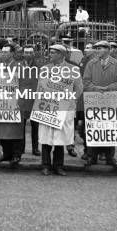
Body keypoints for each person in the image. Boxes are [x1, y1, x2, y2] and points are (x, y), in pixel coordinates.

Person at [38, 45, 83, 176]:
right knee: (46, 138)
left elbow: (79, 88)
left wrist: (71, 100)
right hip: (48, 107)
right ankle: (45, 165)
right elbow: (40, 87)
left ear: (61, 55)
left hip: (64, 109)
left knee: (60, 138)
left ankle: (58, 166)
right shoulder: (45, 69)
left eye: (52, 53)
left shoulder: (72, 70)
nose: (49, 55)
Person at [83, 40, 117, 171]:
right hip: (94, 101)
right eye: (95, 48)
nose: (96, 50)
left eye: (99, 48)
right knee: (94, 128)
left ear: (107, 49)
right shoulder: (91, 63)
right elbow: (85, 81)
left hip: (111, 101)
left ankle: (110, 157)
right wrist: (96, 89)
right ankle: (91, 157)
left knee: (109, 129)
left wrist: (107, 88)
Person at [17, 45, 41, 157]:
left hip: (35, 99)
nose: (28, 54)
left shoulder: (39, 67)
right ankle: (21, 148)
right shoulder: (18, 66)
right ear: (23, 54)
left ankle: (35, 148)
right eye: (26, 52)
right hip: (21, 99)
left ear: (34, 53)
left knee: (35, 126)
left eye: (30, 52)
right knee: (21, 126)